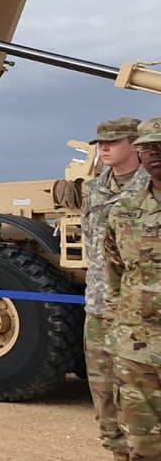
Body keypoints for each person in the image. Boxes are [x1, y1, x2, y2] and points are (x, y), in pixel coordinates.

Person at [82, 117, 147, 459]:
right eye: (100, 143)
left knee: (143, 405)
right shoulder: (94, 191)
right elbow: (93, 250)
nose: (103, 148)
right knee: (104, 399)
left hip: (141, 317)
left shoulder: (151, 189)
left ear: (135, 145)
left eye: (113, 141)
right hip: (98, 309)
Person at [105, 117, 161, 460]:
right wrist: (114, 336)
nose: (154, 153)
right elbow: (115, 273)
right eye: (147, 147)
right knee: (140, 445)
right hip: (136, 349)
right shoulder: (124, 210)